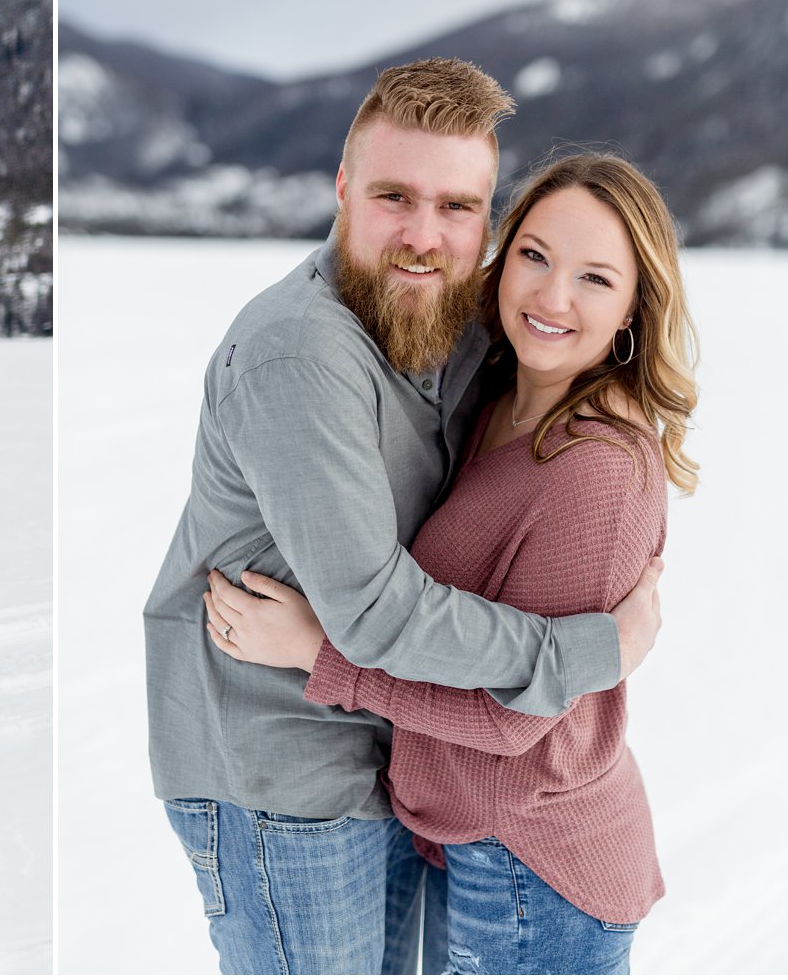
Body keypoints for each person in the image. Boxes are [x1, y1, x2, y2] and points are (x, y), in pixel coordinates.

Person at [139, 59, 666, 974]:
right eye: (394, 196)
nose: (424, 235)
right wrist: (592, 652)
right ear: (342, 191)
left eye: (457, 207)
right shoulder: (298, 357)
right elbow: (376, 612)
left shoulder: (460, 327)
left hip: (399, 768)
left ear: (485, 221)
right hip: (283, 776)